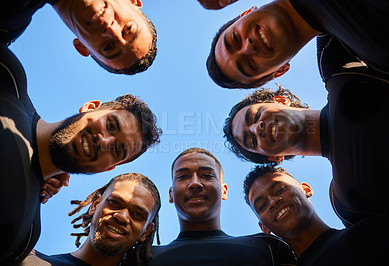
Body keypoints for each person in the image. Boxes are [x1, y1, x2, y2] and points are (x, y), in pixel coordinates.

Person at [0, 43, 161, 264]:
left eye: (117, 150)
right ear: (90, 107)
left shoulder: (23, 232)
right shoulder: (9, 82)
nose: (103, 141)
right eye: (111, 125)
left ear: (108, 168)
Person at [223, 85, 389, 227]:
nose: (257, 129)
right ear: (274, 158)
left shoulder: (342, 74)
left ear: (281, 100)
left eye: (255, 116)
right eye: (252, 141)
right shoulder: (346, 201)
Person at [148, 147, 296, 265]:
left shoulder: (270, 248)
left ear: (223, 191)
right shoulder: (143, 258)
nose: (194, 184)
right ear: (171, 194)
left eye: (206, 175)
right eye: (183, 177)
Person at [207, 0, 389, 88]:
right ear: (280, 70)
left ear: (246, 12)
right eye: (250, 65)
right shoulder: (378, 50)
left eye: (235, 38)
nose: (248, 47)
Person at [243, 165, 389, 265]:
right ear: (263, 227)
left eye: (280, 189)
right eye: (262, 205)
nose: (272, 202)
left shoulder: (375, 231)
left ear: (306, 189)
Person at [22, 172, 161, 266]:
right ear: (94, 205)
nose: (122, 217)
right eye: (115, 203)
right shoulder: (27, 260)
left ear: (146, 232)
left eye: (137, 215)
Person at [0, 0, 157, 75]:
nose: (111, 30)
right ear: (133, 2)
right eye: (128, 29)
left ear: (82, 46)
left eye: (108, 47)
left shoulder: (6, 23)